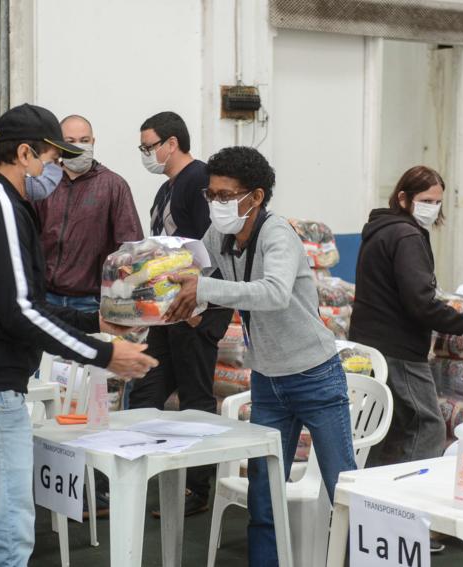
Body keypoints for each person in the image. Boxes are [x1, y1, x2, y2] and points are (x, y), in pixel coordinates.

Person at [0, 103, 157, 567]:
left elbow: (22, 302)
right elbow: (19, 314)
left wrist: (96, 323)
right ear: (23, 154)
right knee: (9, 538)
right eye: (51, 160)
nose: (54, 171)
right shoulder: (0, 210)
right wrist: (103, 354)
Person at [164, 146, 356, 566]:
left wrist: (204, 290)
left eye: (226, 195)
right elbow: (198, 270)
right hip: (267, 382)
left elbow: (273, 292)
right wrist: (171, 289)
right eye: (211, 195)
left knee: (343, 485)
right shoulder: (220, 237)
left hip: (314, 377)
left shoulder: (277, 234)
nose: (217, 204)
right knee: (263, 497)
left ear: (256, 196)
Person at [349, 165, 463, 468]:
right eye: (426, 201)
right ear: (403, 198)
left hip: (371, 345)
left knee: (384, 427)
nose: (432, 208)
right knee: (428, 425)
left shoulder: (381, 230)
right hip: (399, 350)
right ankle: (409, 497)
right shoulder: (406, 236)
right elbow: (420, 303)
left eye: (437, 202)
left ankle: (370, 500)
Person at [130, 111, 233, 517]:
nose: (146, 154)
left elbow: (212, 250)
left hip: (196, 309)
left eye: (149, 146)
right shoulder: (164, 190)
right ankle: (135, 470)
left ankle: (198, 489)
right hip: (168, 311)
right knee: (147, 389)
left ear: (171, 144)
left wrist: (200, 307)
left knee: (195, 398)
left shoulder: (199, 181)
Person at [36, 114, 143, 311]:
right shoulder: (45, 183)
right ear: (59, 145)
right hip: (45, 299)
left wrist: (122, 298)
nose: (78, 146)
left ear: (93, 142)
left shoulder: (113, 185)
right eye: (70, 141)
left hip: (91, 302)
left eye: (84, 141)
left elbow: (130, 245)